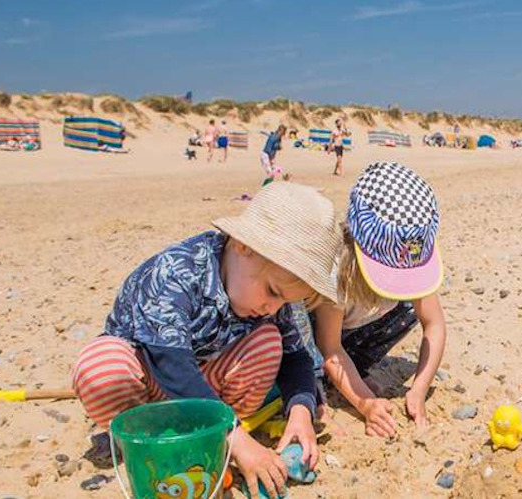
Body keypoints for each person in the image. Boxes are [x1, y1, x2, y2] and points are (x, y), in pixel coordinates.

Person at [71, 182, 349, 498]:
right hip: (149, 384)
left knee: (268, 341)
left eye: (285, 301)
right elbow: (171, 364)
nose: (273, 307)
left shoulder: (269, 299)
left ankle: (212, 436)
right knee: (100, 367)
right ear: (243, 246)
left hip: (209, 389)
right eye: (272, 292)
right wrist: (235, 437)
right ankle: (152, 438)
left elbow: (295, 355)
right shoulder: (176, 272)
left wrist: (301, 411)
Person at [311, 162, 449, 438]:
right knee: (309, 358)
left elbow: (434, 325)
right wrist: (365, 403)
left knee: (409, 307)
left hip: (357, 330)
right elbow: (330, 348)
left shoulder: (410, 252)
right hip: (322, 335)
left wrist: (419, 389)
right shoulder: (338, 269)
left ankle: (355, 367)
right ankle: (320, 381)